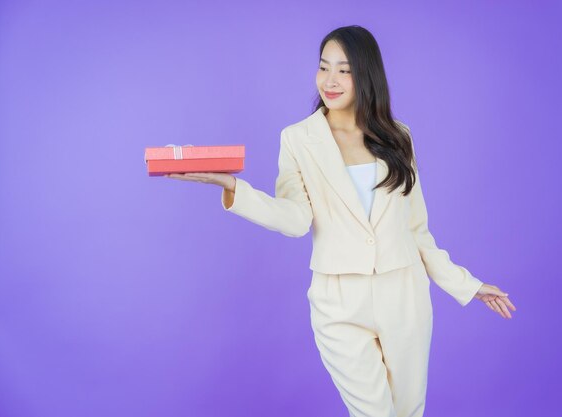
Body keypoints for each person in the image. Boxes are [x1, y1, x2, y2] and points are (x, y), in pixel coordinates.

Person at [166, 25, 516, 417]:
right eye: (323, 67)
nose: (329, 81)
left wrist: (468, 285)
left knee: (407, 411)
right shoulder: (298, 138)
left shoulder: (399, 137)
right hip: (338, 300)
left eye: (344, 70)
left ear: (365, 75)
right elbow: (296, 218)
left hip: (404, 295)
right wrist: (234, 187)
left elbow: (417, 231)